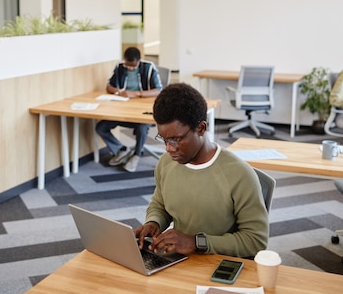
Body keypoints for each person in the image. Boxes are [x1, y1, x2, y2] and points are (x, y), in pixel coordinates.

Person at [133, 83, 268, 258]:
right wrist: (154, 223)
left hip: (220, 265)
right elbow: (160, 204)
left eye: (175, 139)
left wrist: (196, 242)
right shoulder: (166, 163)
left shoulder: (240, 175)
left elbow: (256, 240)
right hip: (178, 259)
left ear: (201, 128)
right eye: (164, 139)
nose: (169, 149)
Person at [96, 47, 163, 172]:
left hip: (144, 109)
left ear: (139, 60)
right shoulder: (120, 67)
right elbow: (109, 87)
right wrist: (119, 91)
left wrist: (137, 93)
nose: (130, 68)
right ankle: (122, 150)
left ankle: (136, 155)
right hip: (123, 109)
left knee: (142, 127)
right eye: (128, 65)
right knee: (101, 127)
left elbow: (158, 90)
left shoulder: (149, 67)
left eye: (133, 66)